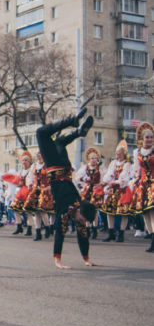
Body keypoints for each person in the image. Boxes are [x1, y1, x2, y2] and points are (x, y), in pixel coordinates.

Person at [35, 109, 97, 269]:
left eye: (83, 221)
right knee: (41, 132)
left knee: (59, 142)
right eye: (82, 219)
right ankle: (73, 123)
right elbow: (59, 235)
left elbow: (83, 236)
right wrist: (58, 261)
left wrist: (86, 259)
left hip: (63, 168)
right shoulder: (67, 209)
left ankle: (77, 131)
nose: (81, 222)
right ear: (79, 211)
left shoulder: (79, 208)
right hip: (56, 167)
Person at [130, 122, 154, 253]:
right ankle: (151, 237)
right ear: (142, 139)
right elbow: (137, 169)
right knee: (145, 212)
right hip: (143, 184)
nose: (149, 139)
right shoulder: (137, 152)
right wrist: (135, 182)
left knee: (152, 211)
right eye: (147, 137)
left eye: (151, 137)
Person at [101, 140, 132, 243]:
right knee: (109, 211)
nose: (117, 155)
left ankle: (121, 234)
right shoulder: (113, 163)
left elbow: (125, 178)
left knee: (123, 212)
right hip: (113, 190)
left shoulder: (127, 164)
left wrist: (115, 182)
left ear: (124, 154)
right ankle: (111, 233)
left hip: (122, 190)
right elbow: (109, 174)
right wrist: (105, 183)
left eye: (119, 154)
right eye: (116, 153)